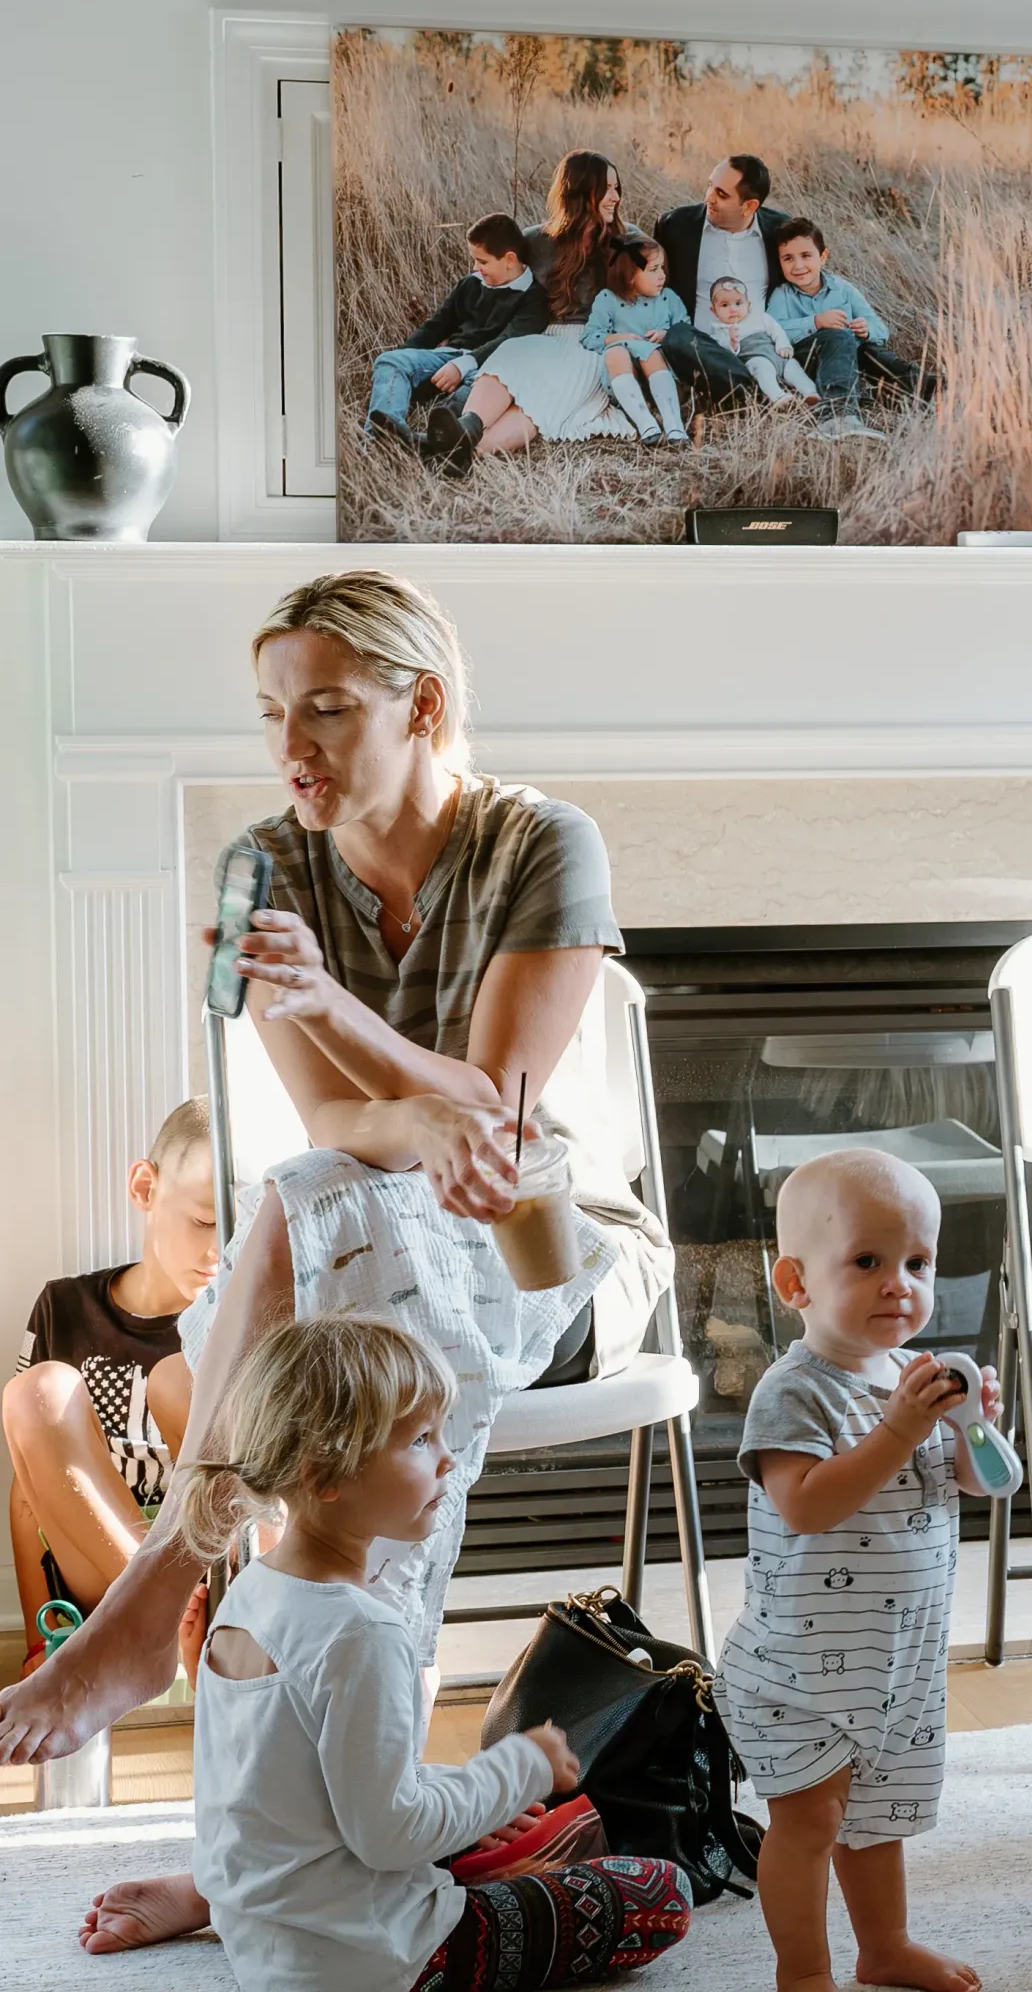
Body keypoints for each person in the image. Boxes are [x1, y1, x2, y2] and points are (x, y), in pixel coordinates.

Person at [0, 570, 673, 1899]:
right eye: (270, 716)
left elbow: (499, 1112)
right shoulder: (267, 864)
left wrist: (347, 1022)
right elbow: (332, 1122)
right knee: (332, 1211)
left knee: (330, 1227)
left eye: (326, 709)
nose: (291, 749)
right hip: (367, 1234)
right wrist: (403, 1123)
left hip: (552, 1245)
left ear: (421, 704)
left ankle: (185, 1683)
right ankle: (332, 1814)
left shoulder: (544, 845)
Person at [172, 1312, 690, 1992]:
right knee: (658, 1892)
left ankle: (473, 1835)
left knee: (491, 1820)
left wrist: (465, 1802)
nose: (448, 1458)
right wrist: (520, 1767)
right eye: (419, 1439)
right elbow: (392, 1837)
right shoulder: (362, 1632)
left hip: (263, 1945)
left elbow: (306, 1780)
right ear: (325, 1476)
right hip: (369, 1962)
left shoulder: (252, 1592)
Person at [713, 1148, 1019, 1992]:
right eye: (868, 1262)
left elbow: (972, 1484)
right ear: (794, 1282)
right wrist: (900, 1425)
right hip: (802, 1668)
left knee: (875, 1817)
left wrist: (971, 1429)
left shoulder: (913, 1382)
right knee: (809, 1821)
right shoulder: (792, 1391)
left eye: (918, 1263)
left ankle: (883, 1946)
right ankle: (799, 1973)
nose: (901, 1286)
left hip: (899, 1661)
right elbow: (807, 1504)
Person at [6, 1102, 216, 1661]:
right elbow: (27, 1497)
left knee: (180, 1379)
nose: (219, 1250)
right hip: (102, 1567)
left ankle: (173, 1623)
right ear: (146, 1188)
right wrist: (35, 1640)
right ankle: (148, 1611)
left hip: (199, 1577)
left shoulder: (230, 1320)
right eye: (202, 1221)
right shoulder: (64, 1306)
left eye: (238, 1227)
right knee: (37, 1393)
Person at [424, 153, 629, 473]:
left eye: (617, 188)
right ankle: (468, 428)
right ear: (580, 192)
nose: (615, 197)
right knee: (510, 354)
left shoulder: (626, 243)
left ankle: (464, 454)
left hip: (591, 344)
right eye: (607, 189)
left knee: (537, 402)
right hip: (543, 335)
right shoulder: (535, 240)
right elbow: (497, 285)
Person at [364, 215, 548, 455]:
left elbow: (509, 341)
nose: (474, 268)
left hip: (489, 371)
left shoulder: (534, 298)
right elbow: (436, 326)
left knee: (463, 402)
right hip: (449, 358)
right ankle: (381, 438)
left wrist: (464, 365)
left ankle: (433, 444)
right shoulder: (471, 284)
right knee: (390, 361)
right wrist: (407, 357)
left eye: (481, 261)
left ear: (510, 260)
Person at [767, 216, 934, 438]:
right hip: (806, 359)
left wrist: (866, 330)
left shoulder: (842, 288)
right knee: (838, 337)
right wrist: (815, 322)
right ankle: (837, 417)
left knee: (871, 351)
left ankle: (934, 391)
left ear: (823, 257)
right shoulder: (782, 296)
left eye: (806, 255)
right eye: (788, 258)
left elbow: (880, 329)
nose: (798, 266)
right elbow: (771, 332)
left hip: (846, 359)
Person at [652, 155, 797, 410]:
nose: (709, 197)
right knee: (676, 337)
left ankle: (840, 411)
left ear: (749, 206)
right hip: (701, 347)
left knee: (835, 338)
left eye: (721, 193)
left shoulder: (779, 229)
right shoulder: (675, 226)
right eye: (710, 185)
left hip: (763, 344)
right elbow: (656, 291)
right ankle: (756, 393)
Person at [579, 236, 691, 443]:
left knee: (650, 353)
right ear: (630, 276)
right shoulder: (608, 299)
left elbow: (686, 331)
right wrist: (620, 337)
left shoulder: (668, 298)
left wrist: (667, 335)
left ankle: (674, 426)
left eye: (662, 268)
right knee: (615, 352)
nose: (662, 275)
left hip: (664, 374)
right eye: (654, 269)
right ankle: (646, 425)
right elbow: (590, 336)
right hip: (626, 379)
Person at [702, 276, 818, 407]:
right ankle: (779, 396)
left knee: (794, 368)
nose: (733, 309)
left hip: (777, 355)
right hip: (754, 358)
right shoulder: (718, 330)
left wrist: (783, 345)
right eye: (724, 305)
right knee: (762, 370)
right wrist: (732, 343)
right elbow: (724, 354)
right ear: (714, 310)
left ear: (748, 304)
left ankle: (810, 392)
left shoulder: (760, 317)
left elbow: (776, 331)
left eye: (738, 303)